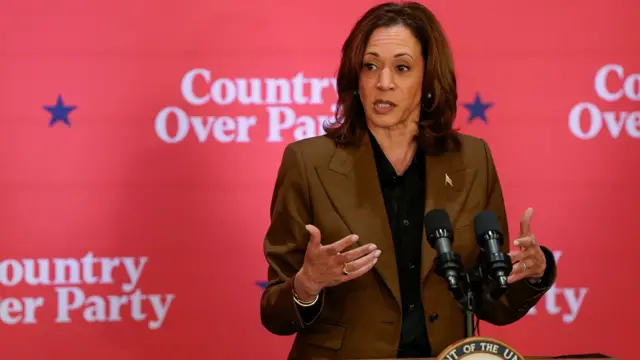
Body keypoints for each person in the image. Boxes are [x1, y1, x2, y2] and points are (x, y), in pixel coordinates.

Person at [260, 2, 557, 359]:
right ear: (356, 78)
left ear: (429, 78)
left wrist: (534, 272)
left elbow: (491, 302)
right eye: (370, 66)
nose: (383, 83)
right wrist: (306, 285)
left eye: (402, 68)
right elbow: (274, 312)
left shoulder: (472, 159)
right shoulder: (308, 162)